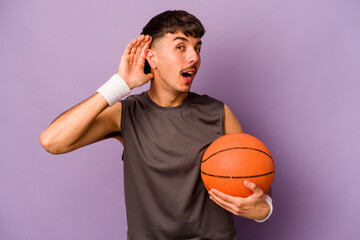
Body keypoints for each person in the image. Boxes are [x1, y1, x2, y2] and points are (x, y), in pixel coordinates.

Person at [40, 10, 273, 240]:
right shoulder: (126, 113)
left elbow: (255, 184)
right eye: (181, 47)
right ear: (152, 58)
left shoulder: (219, 112)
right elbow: (53, 141)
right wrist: (120, 84)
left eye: (198, 48)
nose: (194, 57)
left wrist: (264, 209)